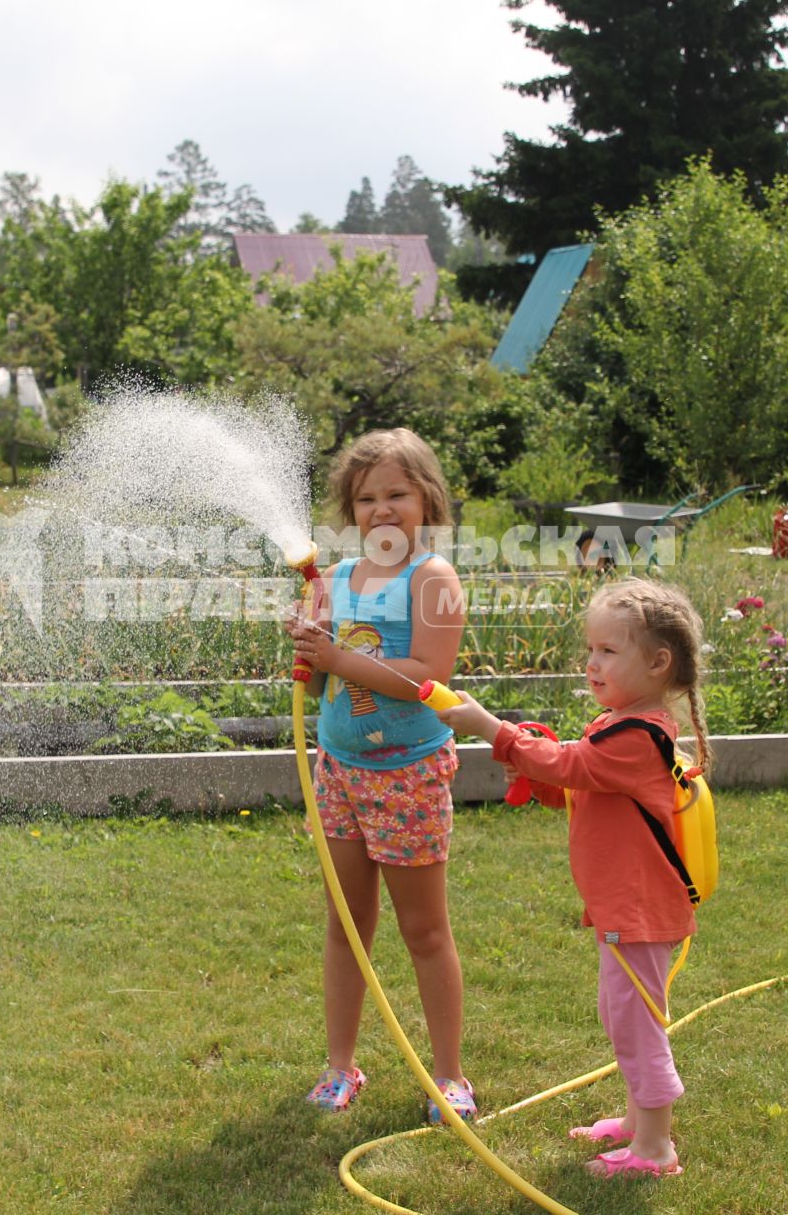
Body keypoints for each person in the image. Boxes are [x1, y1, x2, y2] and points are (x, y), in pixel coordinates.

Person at [433, 577, 710, 1178]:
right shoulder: (618, 723)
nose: (592, 662)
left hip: (638, 911)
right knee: (624, 1017)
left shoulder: (639, 734)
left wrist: (494, 731)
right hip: (624, 908)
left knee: (638, 1025)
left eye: (609, 651)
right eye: (590, 649)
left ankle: (655, 1150)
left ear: (658, 662)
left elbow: (575, 765)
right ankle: (638, 1125)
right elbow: (587, 783)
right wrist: (556, 787)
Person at [284, 427, 474, 1123]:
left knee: (424, 930)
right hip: (339, 770)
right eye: (367, 498)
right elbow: (321, 672)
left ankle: (449, 1076)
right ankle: (341, 1067)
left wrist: (336, 660)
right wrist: (308, 645)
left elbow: (428, 678)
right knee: (346, 924)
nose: (382, 509)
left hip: (406, 778)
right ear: (349, 509)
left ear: (427, 499)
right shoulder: (334, 579)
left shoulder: (434, 581)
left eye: (397, 493)